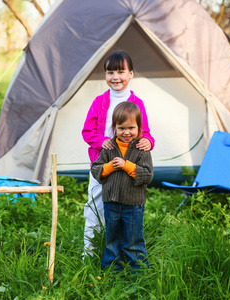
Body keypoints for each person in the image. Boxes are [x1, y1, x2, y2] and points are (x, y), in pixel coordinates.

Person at [82, 50, 155, 256]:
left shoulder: (137, 103)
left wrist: (148, 142)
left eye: (121, 71)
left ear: (131, 73)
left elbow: (145, 132)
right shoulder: (99, 101)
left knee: (123, 211)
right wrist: (101, 141)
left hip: (128, 168)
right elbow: (87, 131)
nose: (115, 77)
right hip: (102, 166)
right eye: (110, 72)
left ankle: (124, 251)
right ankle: (89, 252)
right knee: (95, 208)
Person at [91, 101, 153, 271]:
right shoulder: (109, 148)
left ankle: (139, 272)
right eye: (121, 128)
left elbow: (147, 175)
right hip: (111, 202)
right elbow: (95, 169)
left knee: (133, 239)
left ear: (139, 128)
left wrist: (126, 165)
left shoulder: (142, 149)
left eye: (131, 128)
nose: (126, 132)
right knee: (112, 238)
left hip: (133, 204)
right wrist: (110, 166)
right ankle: (111, 271)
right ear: (114, 128)